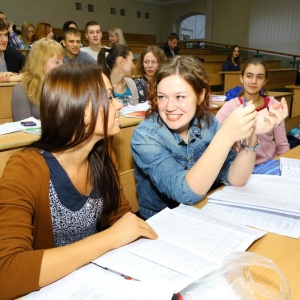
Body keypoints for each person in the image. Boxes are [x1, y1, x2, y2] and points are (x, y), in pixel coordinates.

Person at [0, 63, 157, 299]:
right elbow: (7, 274)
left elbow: (120, 217)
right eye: (109, 97)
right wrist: (108, 239)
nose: (118, 105)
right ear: (84, 112)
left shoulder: (103, 155)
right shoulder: (25, 168)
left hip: (91, 281)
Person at [131, 56, 288, 219]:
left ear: (200, 96)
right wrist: (225, 135)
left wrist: (253, 132)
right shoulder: (145, 135)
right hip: (161, 222)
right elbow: (185, 193)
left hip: (203, 212)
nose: (169, 107)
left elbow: (235, 178)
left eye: (180, 97)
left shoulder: (208, 122)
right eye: (162, 97)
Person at [216, 58, 290, 165]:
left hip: (270, 163)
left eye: (259, 77)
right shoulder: (231, 107)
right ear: (241, 78)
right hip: (241, 166)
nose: (253, 81)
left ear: (265, 81)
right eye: (249, 76)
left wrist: (285, 168)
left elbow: (282, 145)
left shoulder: (273, 105)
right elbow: (214, 138)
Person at [11, 38, 64, 121]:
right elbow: (22, 125)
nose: (62, 65)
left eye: (62, 61)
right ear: (41, 64)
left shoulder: (64, 86)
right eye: (57, 62)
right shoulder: (22, 89)